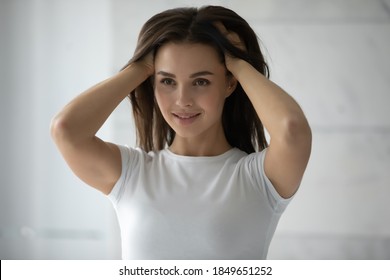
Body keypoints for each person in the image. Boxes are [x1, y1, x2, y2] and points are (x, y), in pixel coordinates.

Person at [51, 6, 311, 259]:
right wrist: (140, 67)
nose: (182, 100)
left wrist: (237, 62)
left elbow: (292, 129)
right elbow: (66, 130)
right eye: (167, 81)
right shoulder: (131, 174)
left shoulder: (259, 180)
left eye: (201, 81)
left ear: (230, 82)